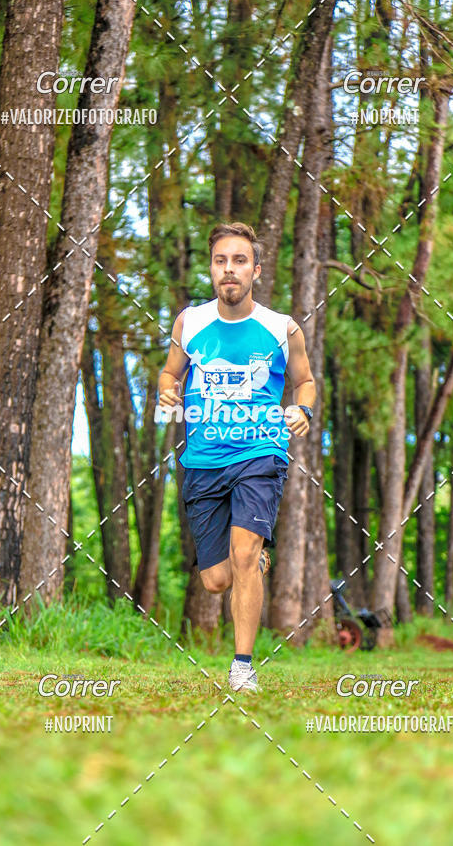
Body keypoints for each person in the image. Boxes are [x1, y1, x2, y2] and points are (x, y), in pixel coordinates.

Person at [157, 221, 316, 692]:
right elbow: (170, 373)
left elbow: (304, 381)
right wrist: (168, 393)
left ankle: (242, 667)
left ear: (256, 270)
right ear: (212, 269)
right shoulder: (189, 322)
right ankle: (253, 560)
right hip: (204, 459)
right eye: (221, 261)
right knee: (216, 580)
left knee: (244, 555)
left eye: (240, 261)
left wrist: (301, 408)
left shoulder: (281, 329)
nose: (230, 270)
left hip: (260, 450)